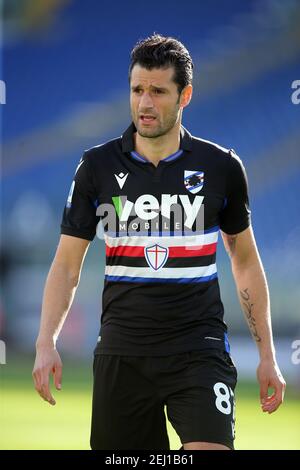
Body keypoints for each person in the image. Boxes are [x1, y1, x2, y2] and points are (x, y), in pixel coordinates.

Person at [32, 34, 286, 451]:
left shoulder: (221, 166)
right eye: (137, 90)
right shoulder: (96, 166)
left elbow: (244, 261)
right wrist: (46, 342)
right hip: (122, 352)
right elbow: (66, 266)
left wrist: (267, 355)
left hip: (198, 350)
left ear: (185, 95)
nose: (145, 103)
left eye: (158, 91)